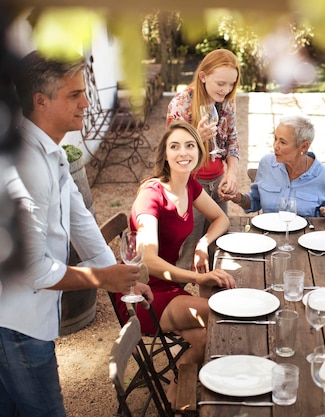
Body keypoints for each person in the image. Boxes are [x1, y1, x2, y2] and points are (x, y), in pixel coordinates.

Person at [0, 50, 153, 417]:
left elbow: (80, 218)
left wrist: (123, 279)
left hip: (23, 320)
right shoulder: (28, 168)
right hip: (14, 324)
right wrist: (104, 278)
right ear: (41, 101)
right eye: (74, 95)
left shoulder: (50, 152)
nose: (87, 103)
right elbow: (35, 271)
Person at [115, 121, 236, 403]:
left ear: (199, 152)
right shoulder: (151, 197)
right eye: (175, 146)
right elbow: (147, 259)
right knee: (223, 315)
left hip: (168, 287)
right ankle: (203, 389)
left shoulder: (190, 184)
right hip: (140, 295)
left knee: (207, 337)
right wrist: (196, 278)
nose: (183, 152)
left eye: (190, 145)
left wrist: (203, 243)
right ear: (165, 155)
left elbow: (222, 218)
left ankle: (177, 392)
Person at [166, 48, 241, 270]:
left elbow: (232, 142)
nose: (226, 90)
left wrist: (231, 173)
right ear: (203, 76)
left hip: (218, 184)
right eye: (221, 83)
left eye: (231, 85)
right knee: (187, 254)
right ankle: (176, 300)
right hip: (190, 186)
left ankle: (211, 303)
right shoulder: (181, 103)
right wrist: (195, 138)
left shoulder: (226, 102)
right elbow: (171, 153)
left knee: (217, 252)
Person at [223, 114, 325, 219]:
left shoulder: (322, 174)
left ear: (303, 146)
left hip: (304, 238)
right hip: (269, 236)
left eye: (282, 142)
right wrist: (236, 197)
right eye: (275, 139)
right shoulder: (266, 163)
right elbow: (255, 201)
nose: (275, 146)